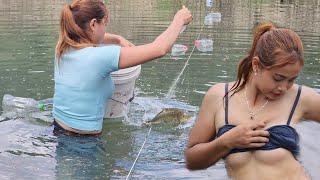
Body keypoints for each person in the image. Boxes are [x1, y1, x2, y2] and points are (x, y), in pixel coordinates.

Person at [185, 22, 319, 179]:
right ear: (256, 65)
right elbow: (192, 161)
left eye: (291, 80)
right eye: (278, 78)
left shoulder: (300, 97)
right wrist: (225, 142)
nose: (284, 87)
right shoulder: (219, 97)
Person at [53, 0, 192, 135]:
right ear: (93, 24)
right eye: (105, 24)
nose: (105, 29)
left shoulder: (63, 46)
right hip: (85, 144)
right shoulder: (100, 56)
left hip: (57, 129)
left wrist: (117, 39)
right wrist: (179, 20)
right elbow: (159, 49)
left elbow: (86, 35)